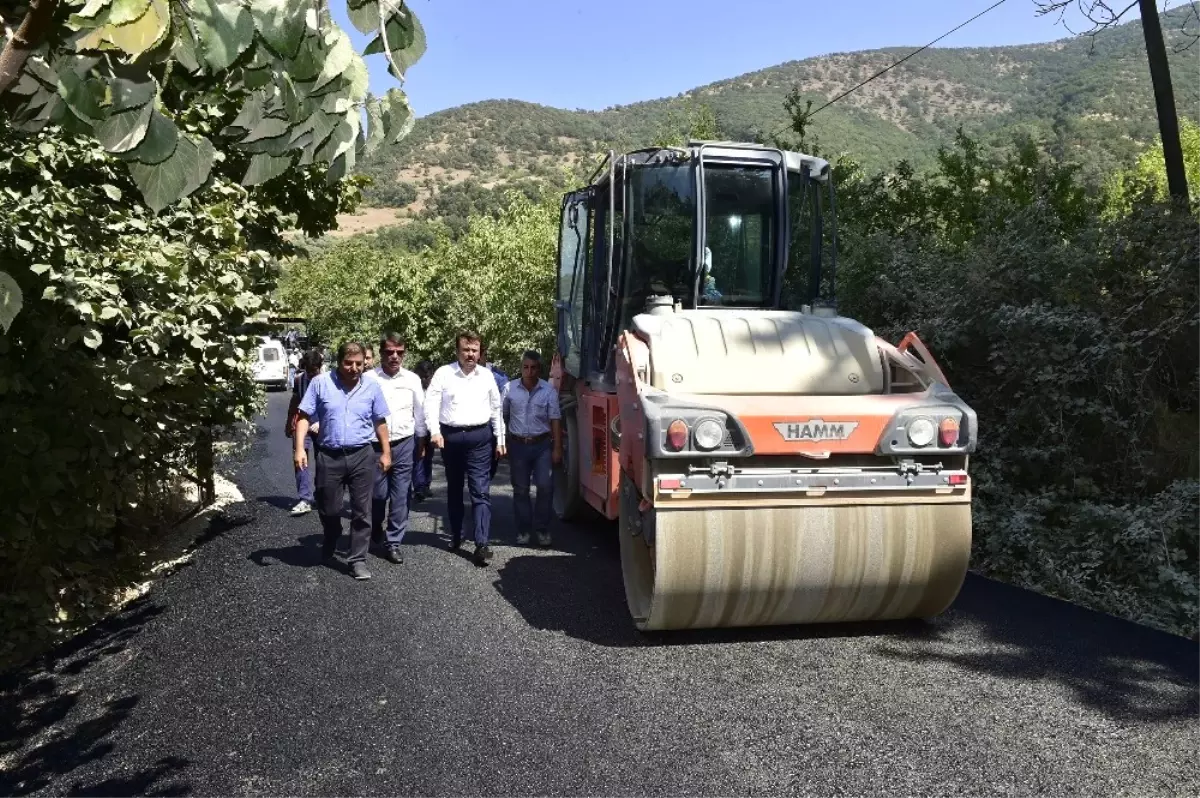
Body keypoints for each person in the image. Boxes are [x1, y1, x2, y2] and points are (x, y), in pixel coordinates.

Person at [294, 341, 392, 581]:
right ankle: (332, 532)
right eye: (349, 363)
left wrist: (386, 452)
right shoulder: (320, 383)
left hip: (362, 455)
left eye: (359, 363)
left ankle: (357, 559)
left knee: (362, 511)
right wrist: (299, 449)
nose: (354, 368)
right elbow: (304, 417)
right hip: (329, 455)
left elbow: (380, 421)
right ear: (338, 362)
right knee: (329, 508)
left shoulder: (371, 386)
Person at [424, 330, 505, 566]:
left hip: (480, 438)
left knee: (480, 490)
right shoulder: (443, 374)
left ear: (480, 352)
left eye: (474, 350)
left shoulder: (487, 376)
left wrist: (500, 440)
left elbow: (496, 408)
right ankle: (457, 535)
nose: (470, 354)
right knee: (455, 489)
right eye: (466, 350)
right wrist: (434, 432)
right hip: (451, 438)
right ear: (457, 351)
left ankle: (482, 544)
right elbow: (431, 404)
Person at [368, 333, 425, 564]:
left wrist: (421, 442)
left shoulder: (412, 379)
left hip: (404, 443)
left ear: (404, 353)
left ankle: (393, 542)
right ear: (381, 353)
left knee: (400, 495)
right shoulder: (369, 378)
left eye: (399, 352)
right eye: (390, 352)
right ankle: (375, 525)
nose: (394, 356)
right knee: (378, 494)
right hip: (374, 446)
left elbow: (420, 413)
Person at [502, 350, 562, 547]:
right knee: (521, 489)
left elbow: (555, 420)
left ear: (539, 369)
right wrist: (503, 442)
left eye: (533, 367)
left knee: (545, 487)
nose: (529, 371)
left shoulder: (548, 391)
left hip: (542, 446)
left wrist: (557, 449)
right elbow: (503, 416)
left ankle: (542, 529)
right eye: (525, 367)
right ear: (521, 368)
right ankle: (524, 530)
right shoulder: (509, 389)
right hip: (518, 446)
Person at [284, 349, 325, 516]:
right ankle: (305, 498)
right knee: (300, 459)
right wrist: (289, 422)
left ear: (320, 367)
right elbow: (295, 401)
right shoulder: (299, 380)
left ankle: (321, 495)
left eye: (313, 371)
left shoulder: (329, 381)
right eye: (307, 370)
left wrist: (321, 422)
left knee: (324, 462)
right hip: (303, 426)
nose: (310, 374)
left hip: (323, 427)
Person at [410, 359, 436, 502]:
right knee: (418, 457)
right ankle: (419, 487)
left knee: (428, 458)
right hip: (416, 429)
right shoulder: (414, 390)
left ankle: (426, 484)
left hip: (431, 430)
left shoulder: (434, 390)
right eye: (422, 377)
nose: (425, 380)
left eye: (427, 377)